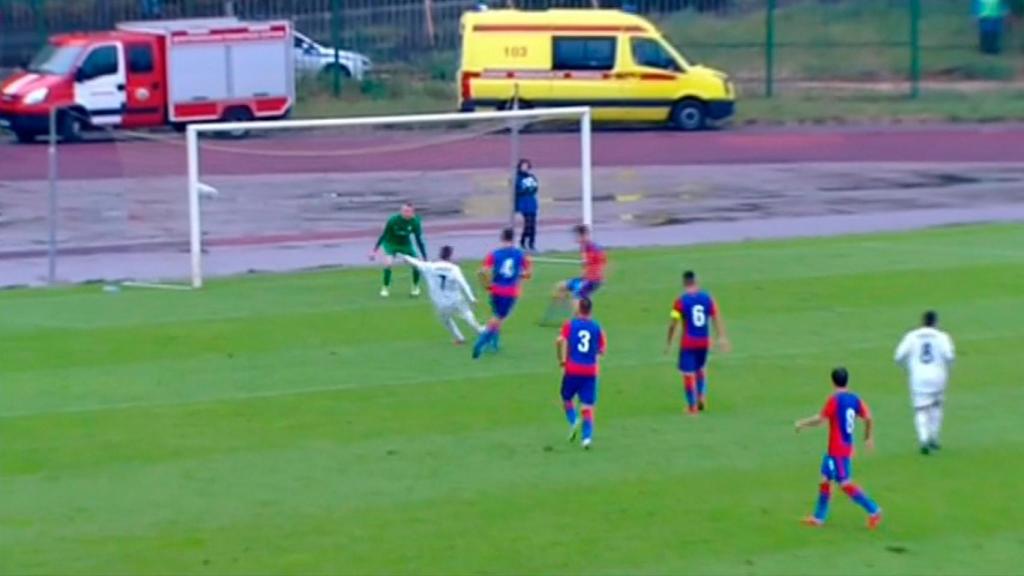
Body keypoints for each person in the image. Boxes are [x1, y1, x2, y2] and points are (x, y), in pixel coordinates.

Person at [795, 367, 883, 530]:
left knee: (845, 483)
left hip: (839, 450)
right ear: (847, 380)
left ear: (832, 381)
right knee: (825, 479)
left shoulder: (834, 400)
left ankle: (874, 510)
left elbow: (820, 420)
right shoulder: (855, 399)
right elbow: (869, 418)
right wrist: (868, 437)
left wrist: (802, 423)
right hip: (837, 449)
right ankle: (818, 518)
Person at [665, 270, 729, 414]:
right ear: (696, 281)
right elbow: (715, 316)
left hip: (688, 342)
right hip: (704, 341)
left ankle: (692, 407)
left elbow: (673, 323)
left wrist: (669, 341)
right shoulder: (707, 298)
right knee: (701, 369)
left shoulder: (680, 302)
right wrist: (721, 336)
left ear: (684, 283)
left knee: (688, 373)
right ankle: (701, 398)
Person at [894, 310, 955, 455]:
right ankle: (933, 438)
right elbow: (949, 356)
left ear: (922, 322)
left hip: (918, 378)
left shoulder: (911, 336)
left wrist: (907, 367)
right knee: (936, 407)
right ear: (936, 322)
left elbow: (898, 356)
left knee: (921, 409)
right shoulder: (942, 337)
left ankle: (923, 439)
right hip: (938, 377)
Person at [398, 246, 484, 345]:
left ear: (440, 255)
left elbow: (415, 262)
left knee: (446, 320)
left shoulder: (429, 267)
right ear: (450, 256)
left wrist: (404, 256)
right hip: (456, 299)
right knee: (467, 314)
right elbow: (463, 283)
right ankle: (479, 330)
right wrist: (472, 298)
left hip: (440, 302)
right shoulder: (454, 268)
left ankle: (459, 337)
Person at [473, 227, 532, 358]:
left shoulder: (494, 254)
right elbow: (528, 274)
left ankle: (494, 343)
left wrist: (487, 284)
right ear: (513, 239)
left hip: (495, 289)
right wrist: (520, 275)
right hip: (510, 291)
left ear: (502, 238)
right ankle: (482, 341)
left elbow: (483, 271)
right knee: (499, 318)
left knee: (496, 315)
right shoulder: (519, 254)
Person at [557, 296, 606, 450]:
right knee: (587, 406)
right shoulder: (597, 327)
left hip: (572, 368)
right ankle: (587, 439)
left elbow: (560, 341)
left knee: (566, 399)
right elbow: (601, 350)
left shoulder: (570, 325)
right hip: (590, 370)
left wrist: (562, 359)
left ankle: (573, 421)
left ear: (579, 309)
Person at [541, 225, 606, 325]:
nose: (576, 239)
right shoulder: (584, 247)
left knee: (577, 297)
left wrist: (592, 274)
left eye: (577, 236)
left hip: (591, 280)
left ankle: (579, 322)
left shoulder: (592, 248)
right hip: (585, 279)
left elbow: (600, 263)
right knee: (559, 286)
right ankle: (566, 314)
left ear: (583, 235)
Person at [370, 203, 427, 298]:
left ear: (412, 212)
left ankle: (415, 287)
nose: (405, 213)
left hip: (405, 244)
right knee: (388, 263)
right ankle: (385, 288)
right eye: (404, 211)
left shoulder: (415, 222)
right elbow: (384, 235)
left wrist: (424, 257)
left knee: (416, 265)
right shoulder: (393, 220)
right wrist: (374, 250)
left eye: (408, 211)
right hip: (391, 243)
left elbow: (419, 240)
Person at [514, 158, 539, 251]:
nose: (525, 167)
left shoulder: (531, 177)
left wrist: (530, 189)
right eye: (523, 166)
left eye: (526, 166)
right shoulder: (517, 178)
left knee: (533, 224)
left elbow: (535, 188)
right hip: (523, 203)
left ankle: (532, 243)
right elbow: (516, 191)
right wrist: (516, 209)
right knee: (527, 224)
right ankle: (523, 242)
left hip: (531, 202)